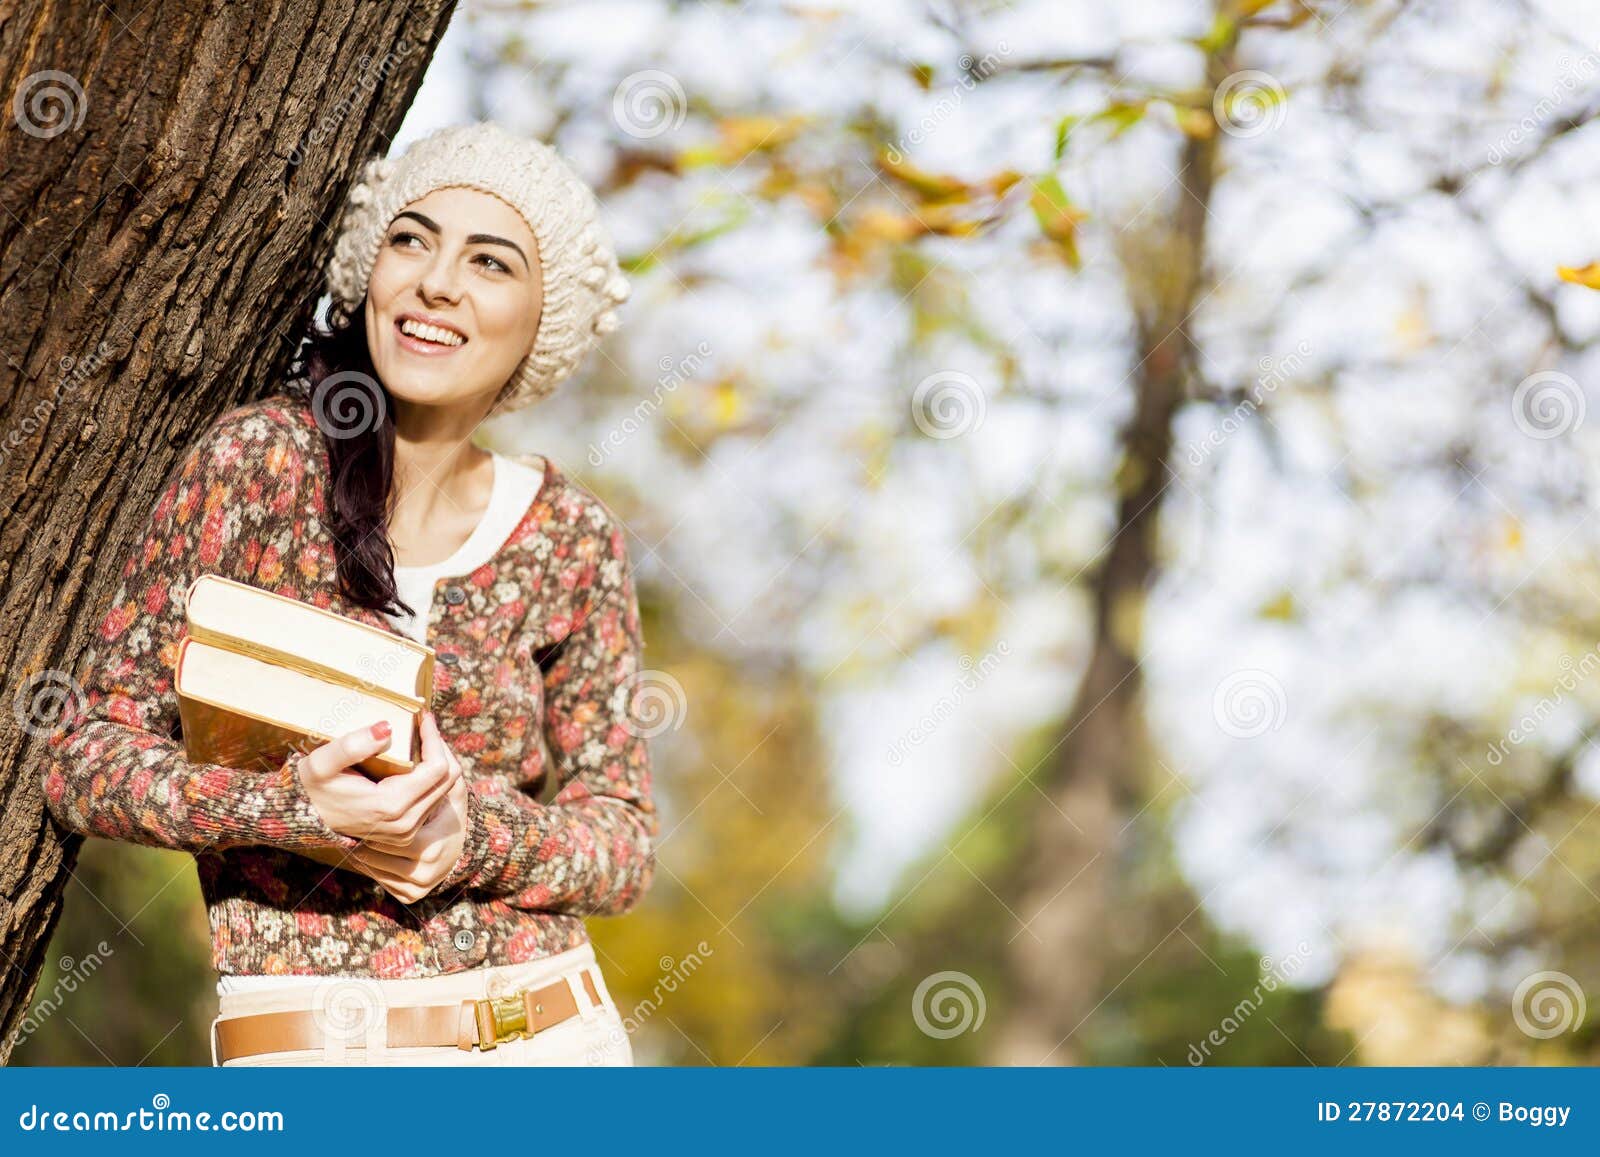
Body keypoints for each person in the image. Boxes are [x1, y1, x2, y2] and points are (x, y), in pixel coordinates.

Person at [40, 122, 653, 1066]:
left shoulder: (573, 537)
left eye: (490, 262)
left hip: (553, 1041)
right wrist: (290, 811)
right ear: (369, 268)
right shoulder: (256, 466)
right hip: (321, 1051)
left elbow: (622, 845)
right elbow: (83, 759)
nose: (436, 281)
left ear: (542, 322)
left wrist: (469, 834)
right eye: (412, 239)